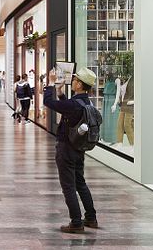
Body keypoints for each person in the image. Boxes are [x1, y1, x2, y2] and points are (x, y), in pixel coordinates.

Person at [43, 67, 98, 233]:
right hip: (79, 148)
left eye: (75, 80)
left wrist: (51, 85)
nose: (72, 81)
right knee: (80, 182)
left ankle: (76, 222)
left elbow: (48, 103)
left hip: (66, 148)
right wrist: (60, 93)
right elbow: (68, 108)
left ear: (80, 85)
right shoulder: (86, 102)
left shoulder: (74, 104)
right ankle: (91, 218)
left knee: (68, 186)